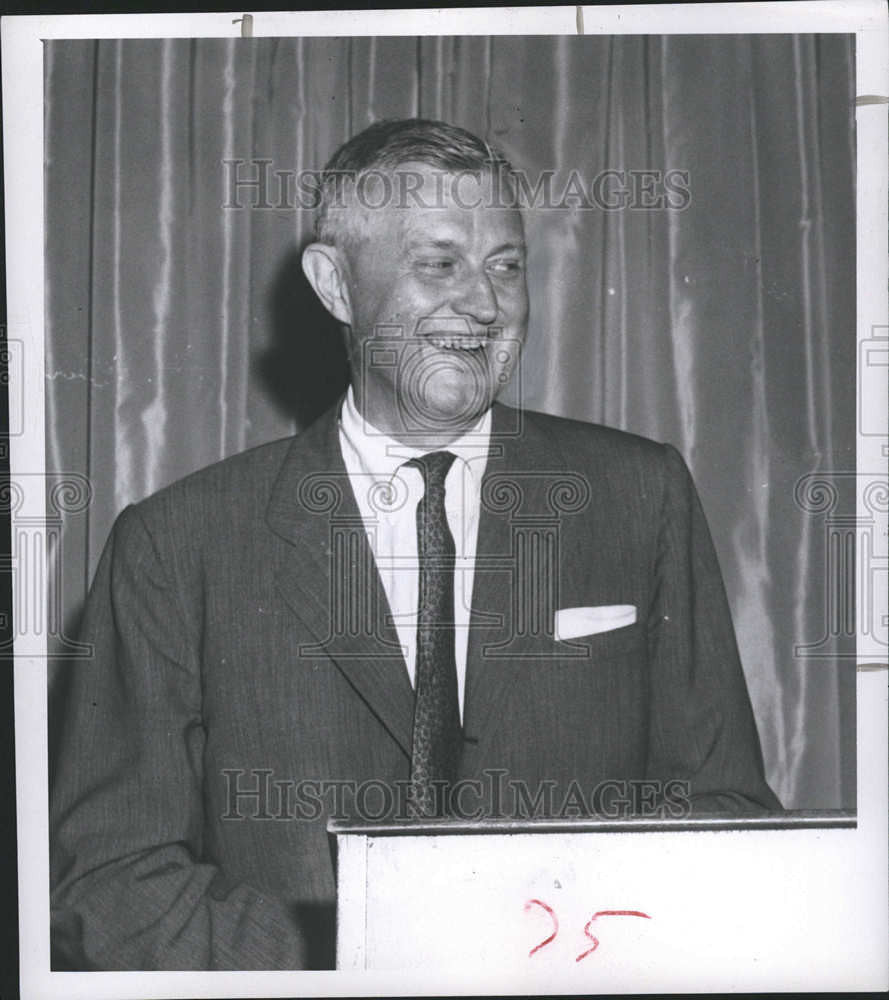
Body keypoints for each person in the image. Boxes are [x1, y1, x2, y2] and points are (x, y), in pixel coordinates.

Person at [50, 117, 781, 971]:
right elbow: (108, 884)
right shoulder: (178, 543)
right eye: (438, 263)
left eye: (505, 265)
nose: (483, 303)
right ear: (334, 285)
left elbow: (723, 815)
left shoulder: (639, 494)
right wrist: (368, 951)